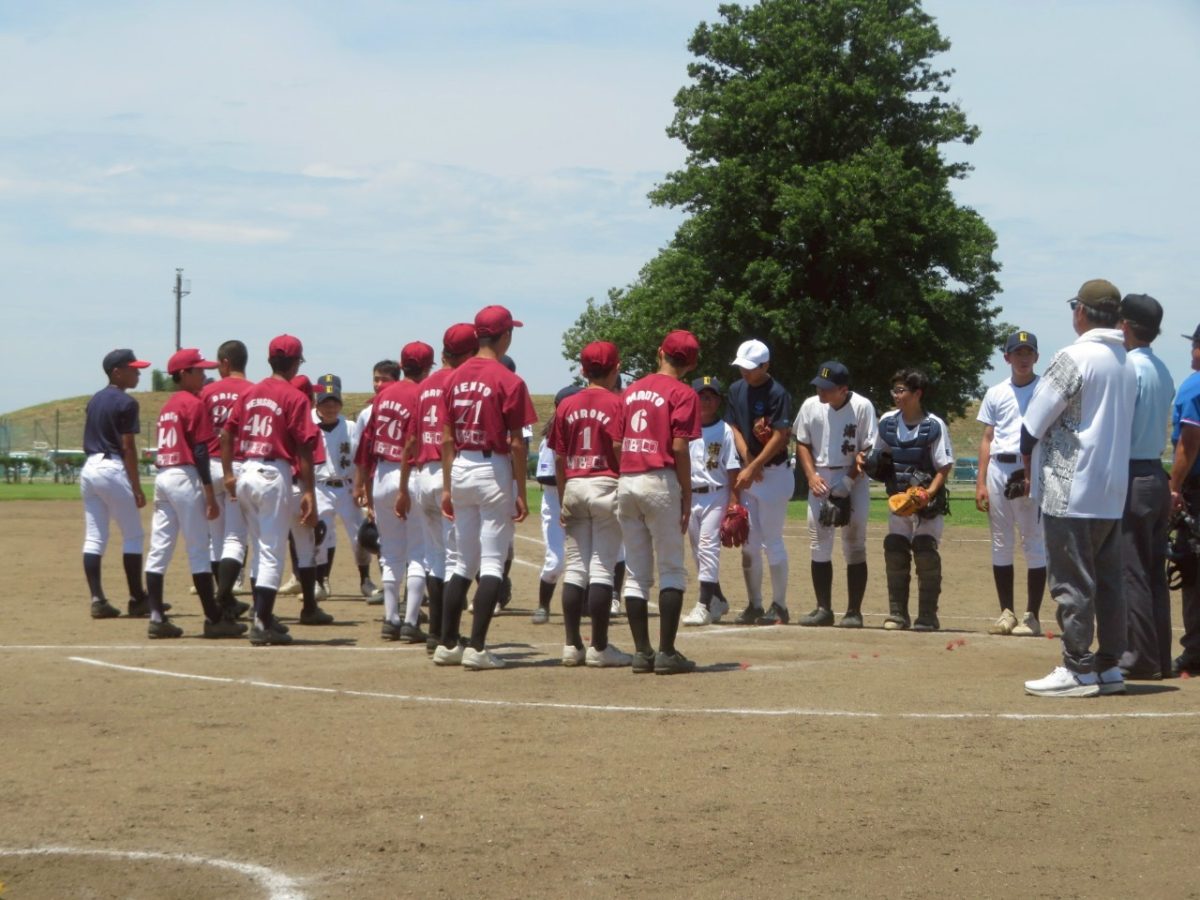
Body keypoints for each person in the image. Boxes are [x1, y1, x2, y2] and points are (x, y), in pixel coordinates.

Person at [1021, 279, 1136, 697]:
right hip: (1111, 490)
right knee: (1109, 582)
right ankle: (1109, 666)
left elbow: (1034, 422)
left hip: (1069, 487)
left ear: (1081, 311)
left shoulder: (1073, 357)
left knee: (1072, 582)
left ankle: (1077, 667)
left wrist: (1025, 458)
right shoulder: (1126, 362)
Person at [434, 305, 537, 670]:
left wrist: (448, 486)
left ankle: (447, 643)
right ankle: (477, 647)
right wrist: (520, 490)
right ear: (505, 335)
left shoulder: (454, 377)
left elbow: (447, 439)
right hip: (492, 467)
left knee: (463, 561)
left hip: (461, 465)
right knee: (492, 560)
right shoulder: (509, 380)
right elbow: (517, 443)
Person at [221, 334, 321, 646]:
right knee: (271, 551)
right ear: (295, 363)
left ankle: (262, 616)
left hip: (246, 470)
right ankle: (262, 623)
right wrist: (308, 491)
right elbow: (304, 448)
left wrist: (228, 473)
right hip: (273, 473)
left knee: (258, 546)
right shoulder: (295, 397)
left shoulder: (250, 392)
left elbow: (226, 434)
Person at [142, 349, 245, 638]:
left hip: (163, 476)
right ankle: (214, 619)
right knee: (199, 549)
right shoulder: (193, 403)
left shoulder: (168, 406)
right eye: (198, 370)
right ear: (183, 374)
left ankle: (156, 617)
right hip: (185, 477)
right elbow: (200, 451)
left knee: (159, 549)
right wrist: (209, 493)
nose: (203, 374)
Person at [617, 330, 701, 674]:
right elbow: (679, 447)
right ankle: (666, 652)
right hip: (660, 479)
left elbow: (617, 442)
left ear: (660, 352)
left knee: (636, 571)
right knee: (671, 568)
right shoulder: (684, 393)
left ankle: (642, 652)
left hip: (627, 479)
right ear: (691, 363)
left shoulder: (631, 390)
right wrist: (686, 491)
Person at [551, 341, 633, 666]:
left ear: (583, 370)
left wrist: (563, 496)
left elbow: (559, 458)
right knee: (602, 567)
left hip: (574, 483)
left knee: (574, 568)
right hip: (605, 482)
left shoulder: (566, 405)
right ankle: (599, 647)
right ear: (616, 368)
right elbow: (618, 446)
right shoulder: (618, 403)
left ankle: (572, 646)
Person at [405, 324, 477, 653]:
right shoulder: (461, 382)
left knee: (434, 557)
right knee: (455, 560)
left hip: (422, 473)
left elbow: (411, 439)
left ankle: (434, 633)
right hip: (448, 473)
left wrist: (404, 485)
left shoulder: (424, 386)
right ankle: (449, 634)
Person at [1115, 296, 1175, 680]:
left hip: (1132, 473)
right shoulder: (1162, 369)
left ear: (1125, 326)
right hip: (1155, 471)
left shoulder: (1128, 369)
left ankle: (1137, 656)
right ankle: (1159, 657)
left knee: (1131, 569)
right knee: (1154, 571)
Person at [865, 369, 953, 632]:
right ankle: (897, 614)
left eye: (901, 390)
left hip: (927, 504)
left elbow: (944, 466)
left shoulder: (934, 425)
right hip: (899, 501)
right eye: (894, 390)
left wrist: (928, 494)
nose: (896, 395)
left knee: (925, 551)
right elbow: (878, 454)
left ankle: (927, 616)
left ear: (917, 394)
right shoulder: (887, 422)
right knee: (895, 548)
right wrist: (867, 461)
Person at [793, 361, 877, 628]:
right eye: (819, 386)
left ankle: (854, 611)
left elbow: (868, 450)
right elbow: (802, 442)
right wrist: (811, 476)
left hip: (853, 477)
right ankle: (823, 609)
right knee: (818, 541)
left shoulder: (862, 406)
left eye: (827, 388)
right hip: (819, 477)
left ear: (843, 389)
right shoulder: (810, 405)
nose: (821, 391)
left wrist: (848, 483)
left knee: (854, 542)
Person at [975, 332, 1047, 636]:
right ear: (1007, 357)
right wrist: (980, 482)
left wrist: (1033, 472)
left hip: (1029, 469)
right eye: (1018, 352)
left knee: (1033, 541)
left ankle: (1032, 615)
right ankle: (1006, 612)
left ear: (1037, 356)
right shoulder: (995, 392)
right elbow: (987, 438)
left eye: (1029, 352)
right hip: (998, 468)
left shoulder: (1045, 390)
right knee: (1001, 541)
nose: (1023, 358)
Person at [353, 346, 426, 642]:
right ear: (427, 368)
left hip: (381, 474)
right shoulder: (422, 394)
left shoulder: (383, 396)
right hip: (410, 474)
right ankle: (410, 622)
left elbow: (366, 444)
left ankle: (390, 619)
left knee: (391, 552)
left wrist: (362, 485)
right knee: (419, 552)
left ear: (402, 366)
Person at [725, 339, 794, 625]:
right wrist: (749, 459)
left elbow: (781, 435)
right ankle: (754, 604)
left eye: (751, 367)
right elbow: (734, 426)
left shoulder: (778, 393)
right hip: (750, 472)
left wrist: (756, 466)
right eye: (742, 366)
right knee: (749, 543)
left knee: (772, 540)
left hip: (774, 474)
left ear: (766, 366)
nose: (745, 371)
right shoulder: (736, 389)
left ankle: (780, 606)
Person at [81, 348, 152, 619]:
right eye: (133, 369)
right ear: (116, 372)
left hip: (89, 468)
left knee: (95, 536)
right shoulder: (127, 402)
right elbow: (128, 447)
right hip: (111, 468)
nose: (138, 374)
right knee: (133, 535)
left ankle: (97, 600)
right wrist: (136, 486)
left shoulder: (95, 400)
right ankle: (137, 599)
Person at [681, 376, 741, 627]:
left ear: (718, 401)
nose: (705, 401)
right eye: (701, 396)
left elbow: (733, 468)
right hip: (691, 495)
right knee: (698, 552)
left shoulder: (724, 430)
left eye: (711, 396)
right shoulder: (684, 428)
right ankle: (718, 599)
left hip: (716, 494)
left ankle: (703, 605)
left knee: (708, 548)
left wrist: (733, 503)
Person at [199, 340, 252, 619]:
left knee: (215, 538)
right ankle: (224, 596)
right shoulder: (253, 391)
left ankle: (225, 600)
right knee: (235, 538)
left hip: (210, 465)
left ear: (225, 362)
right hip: (238, 466)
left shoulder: (207, 391)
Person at [311, 374, 369, 601]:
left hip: (347, 486)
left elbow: (360, 458)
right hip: (320, 486)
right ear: (317, 404)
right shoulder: (310, 426)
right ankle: (320, 581)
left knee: (359, 534)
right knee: (321, 536)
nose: (331, 407)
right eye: (326, 402)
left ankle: (365, 579)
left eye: (334, 401)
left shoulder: (350, 427)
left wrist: (360, 485)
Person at [530, 387, 576, 625]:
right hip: (555, 499)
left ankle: (585, 605)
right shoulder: (551, 437)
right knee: (556, 560)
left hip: (581, 496)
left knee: (587, 559)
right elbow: (547, 477)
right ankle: (543, 605)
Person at [1170, 323, 1200, 676]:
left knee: (1192, 570)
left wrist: (1174, 487)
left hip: (1197, 491)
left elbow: (1189, 442)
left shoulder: (1194, 385)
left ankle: (1195, 652)